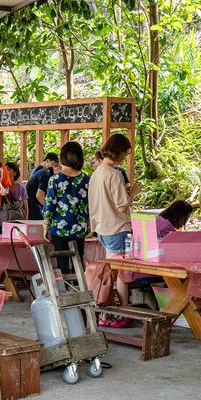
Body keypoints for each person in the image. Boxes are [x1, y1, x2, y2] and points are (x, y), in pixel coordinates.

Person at [89, 133, 134, 313]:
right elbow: (122, 206)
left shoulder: (96, 173)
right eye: (126, 153)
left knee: (110, 272)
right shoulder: (115, 174)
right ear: (119, 152)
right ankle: (122, 310)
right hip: (118, 228)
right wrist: (133, 192)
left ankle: (107, 308)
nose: (125, 157)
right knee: (121, 273)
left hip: (102, 228)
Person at [43, 142, 89, 275]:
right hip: (80, 227)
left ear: (63, 157)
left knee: (62, 262)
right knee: (78, 261)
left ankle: (65, 291)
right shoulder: (86, 179)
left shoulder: (55, 179)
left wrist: (46, 225)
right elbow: (89, 203)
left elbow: (50, 204)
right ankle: (80, 290)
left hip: (59, 228)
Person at [25, 152, 59, 221]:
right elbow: (39, 195)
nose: (59, 171)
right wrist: (49, 208)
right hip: (32, 203)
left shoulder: (44, 171)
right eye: (55, 166)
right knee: (39, 226)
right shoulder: (45, 174)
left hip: (33, 202)